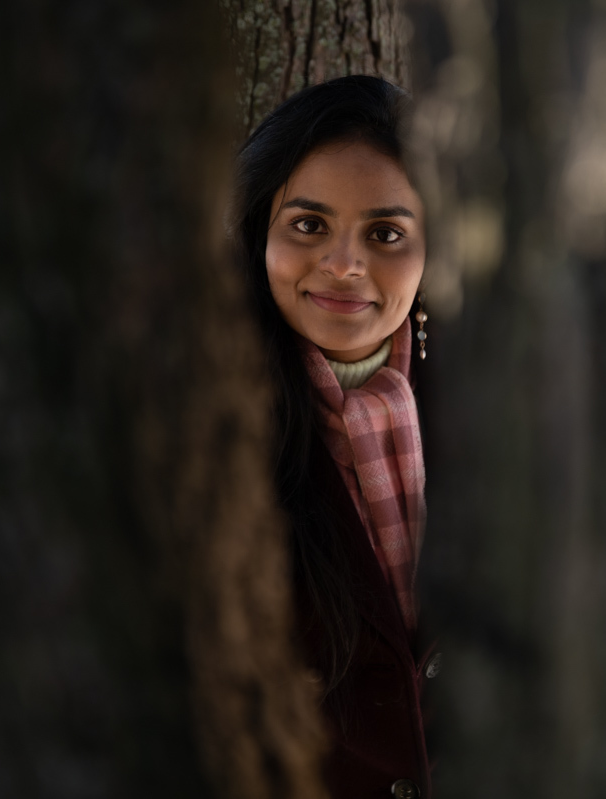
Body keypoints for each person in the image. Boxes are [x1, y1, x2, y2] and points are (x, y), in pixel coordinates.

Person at [231, 75, 436, 798]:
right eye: (309, 225)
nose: (345, 264)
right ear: (260, 230)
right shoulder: (215, 426)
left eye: (385, 233)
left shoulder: (492, 407)